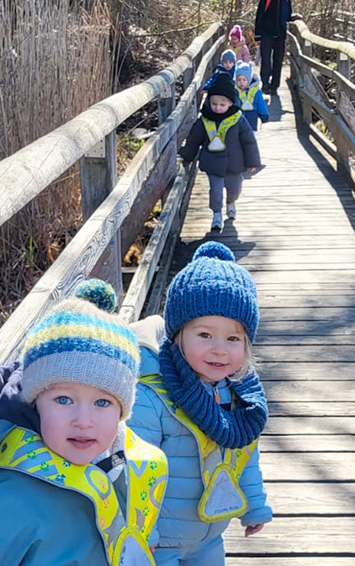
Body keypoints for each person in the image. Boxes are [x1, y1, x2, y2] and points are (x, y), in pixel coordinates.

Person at [0, 280, 168, 566]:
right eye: (64, 400)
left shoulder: (124, 462)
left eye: (102, 402)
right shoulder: (6, 501)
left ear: (122, 412)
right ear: (35, 401)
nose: (83, 421)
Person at [128, 241, 272, 566]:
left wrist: (254, 504)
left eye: (233, 339)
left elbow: (244, 454)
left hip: (209, 536)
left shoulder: (239, 394)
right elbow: (137, 470)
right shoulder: (152, 395)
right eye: (205, 335)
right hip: (159, 540)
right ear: (178, 335)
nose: (220, 350)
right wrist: (141, 532)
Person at [180, 72, 260, 231]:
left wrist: (253, 162)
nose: (217, 108)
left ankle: (231, 203)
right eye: (214, 103)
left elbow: (249, 141)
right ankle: (216, 214)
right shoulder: (204, 120)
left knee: (234, 189)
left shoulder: (238, 119)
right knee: (215, 191)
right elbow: (194, 140)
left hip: (234, 164)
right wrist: (187, 155)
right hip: (213, 164)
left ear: (230, 103)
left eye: (222, 105)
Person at [254, 0, 301, 95]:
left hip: (280, 35)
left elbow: (286, 17)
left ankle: (274, 86)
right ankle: (265, 84)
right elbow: (259, 16)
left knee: (278, 61)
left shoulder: (287, 0)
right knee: (266, 61)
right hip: (266, 34)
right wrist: (258, 35)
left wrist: (294, 17)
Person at [235, 60, 269, 132]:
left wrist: (264, 115)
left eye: (244, 80)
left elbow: (261, 104)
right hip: (237, 121)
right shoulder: (234, 91)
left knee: (250, 138)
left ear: (249, 80)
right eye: (239, 80)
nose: (241, 82)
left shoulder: (256, 91)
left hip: (251, 120)